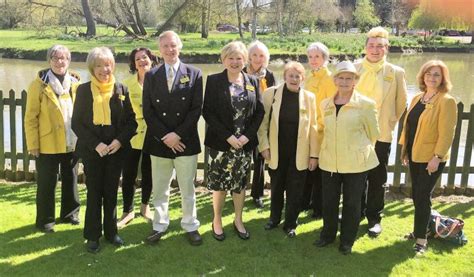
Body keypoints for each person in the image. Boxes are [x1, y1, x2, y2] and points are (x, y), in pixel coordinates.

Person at [72, 47, 137, 253]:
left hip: (115, 151)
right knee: (94, 193)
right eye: (99, 65)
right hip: (93, 151)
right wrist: (96, 144)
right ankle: (92, 236)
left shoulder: (121, 89)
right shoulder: (83, 90)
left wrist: (118, 141)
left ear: (113, 66)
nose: (104, 69)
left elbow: (131, 122)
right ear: (92, 67)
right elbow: (77, 124)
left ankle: (111, 233)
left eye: (107, 64)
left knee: (110, 192)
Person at [142, 31, 203, 246]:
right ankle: (159, 225)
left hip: (185, 141)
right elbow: (148, 111)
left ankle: (190, 225)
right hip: (159, 142)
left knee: (187, 187)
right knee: (160, 188)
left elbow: (196, 109)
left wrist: (177, 135)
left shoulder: (194, 73)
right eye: (165, 46)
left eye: (173, 45)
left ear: (180, 46)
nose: (170, 49)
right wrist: (166, 136)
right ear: (160, 49)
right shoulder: (151, 75)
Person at [314, 61, 379, 255]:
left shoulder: (366, 104)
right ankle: (327, 235)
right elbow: (322, 130)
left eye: (348, 78)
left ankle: (347, 241)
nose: (344, 82)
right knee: (329, 201)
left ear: (355, 81)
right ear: (335, 80)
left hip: (356, 163)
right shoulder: (325, 104)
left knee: (352, 203)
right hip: (329, 161)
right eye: (340, 78)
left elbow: (373, 133)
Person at [203, 41, 264, 241]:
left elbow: (260, 112)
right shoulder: (213, 81)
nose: (235, 62)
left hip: (244, 145)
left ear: (245, 60)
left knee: (239, 185)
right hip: (221, 144)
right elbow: (208, 113)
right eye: (231, 58)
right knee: (219, 186)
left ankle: (238, 220)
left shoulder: (253, 81)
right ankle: (217, 220)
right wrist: (228, 136)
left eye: (239, 58)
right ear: (223, 60)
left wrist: (247, 136)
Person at [399, 60, 457, 255]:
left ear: (443, 79)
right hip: (415, 155)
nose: (432, 78)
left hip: (432, 158)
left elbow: (447, 133)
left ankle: (422, 239)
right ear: (423, 76)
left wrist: (437, 157)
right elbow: (409, 127)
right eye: (429, 74)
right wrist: (405, 150)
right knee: (417, 195)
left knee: (422, 196)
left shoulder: (446, 101)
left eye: (437, 75)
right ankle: (419, 230)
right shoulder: (417, 97)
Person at [355, 26, 407, 237]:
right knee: (356, 176)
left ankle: (374, 218)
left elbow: (401, 103)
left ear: (386, 48)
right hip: (356, 133)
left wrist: (390, 121)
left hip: (381, 134)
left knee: (377, 178)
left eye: (380, 46)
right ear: (365, 47)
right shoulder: (355, 68)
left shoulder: (396, 72)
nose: (375, 50)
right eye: (372, 45)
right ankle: (355, 212)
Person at [257, 61, 318, 237]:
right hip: (276, 152)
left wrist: (314, 155)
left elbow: (313, 128)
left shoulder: (309, 98)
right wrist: (264, 146)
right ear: (284, 77)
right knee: (276, 188)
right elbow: (263, 124)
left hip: (300, 154)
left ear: (302, 79)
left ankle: (291, 224)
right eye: (290, 75)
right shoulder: (271, 94)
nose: (293, 79)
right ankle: (274, 219)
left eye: (297, 76)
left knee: (295, 191)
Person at [24, 45, 81, 233]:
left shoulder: (75, 84)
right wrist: (33, 144)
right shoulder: (38, 85)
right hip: (46, 143)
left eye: (63, 58)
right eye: (55, 58)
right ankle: (45, 220)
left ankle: (70, 214)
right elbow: (30, 118)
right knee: (46, 183)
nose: (59, 62)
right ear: (49, 61)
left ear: (69, 61)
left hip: (70, 141)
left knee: (71, 179)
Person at [117, 48, 158, 228]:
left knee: (149, 173)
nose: (142, 61)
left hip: (153, 134)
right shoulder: (125, 84)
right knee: (129, 174)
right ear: (133, 64)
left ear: (151, 60)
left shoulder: (160, 82)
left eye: (145, 57)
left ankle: (145, 207)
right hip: (132, 136)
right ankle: (128, 210)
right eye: (137, 59)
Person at [301, 42, 337, 219]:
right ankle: (305, 202)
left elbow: (330, 107)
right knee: (309, 169)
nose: (313, 60)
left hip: (321, 132)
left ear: (325, 58)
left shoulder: (330, 79)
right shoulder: (309, 77)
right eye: (310, 57)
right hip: (308, 131)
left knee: (320, 173)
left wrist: (317, 125)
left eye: (317, 57)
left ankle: (319, 208)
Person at [244, 40, 276, 209]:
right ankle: (239, 191)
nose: (257, 58)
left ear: (266, 58)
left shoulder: (269, 76)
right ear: (249, 56)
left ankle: (257, 194)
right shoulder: (241, 72)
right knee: (242, 158)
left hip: (263, 123)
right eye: (254, 54)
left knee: (260, 160)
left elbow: (274, 99)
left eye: (261, 55)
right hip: (244, 123)